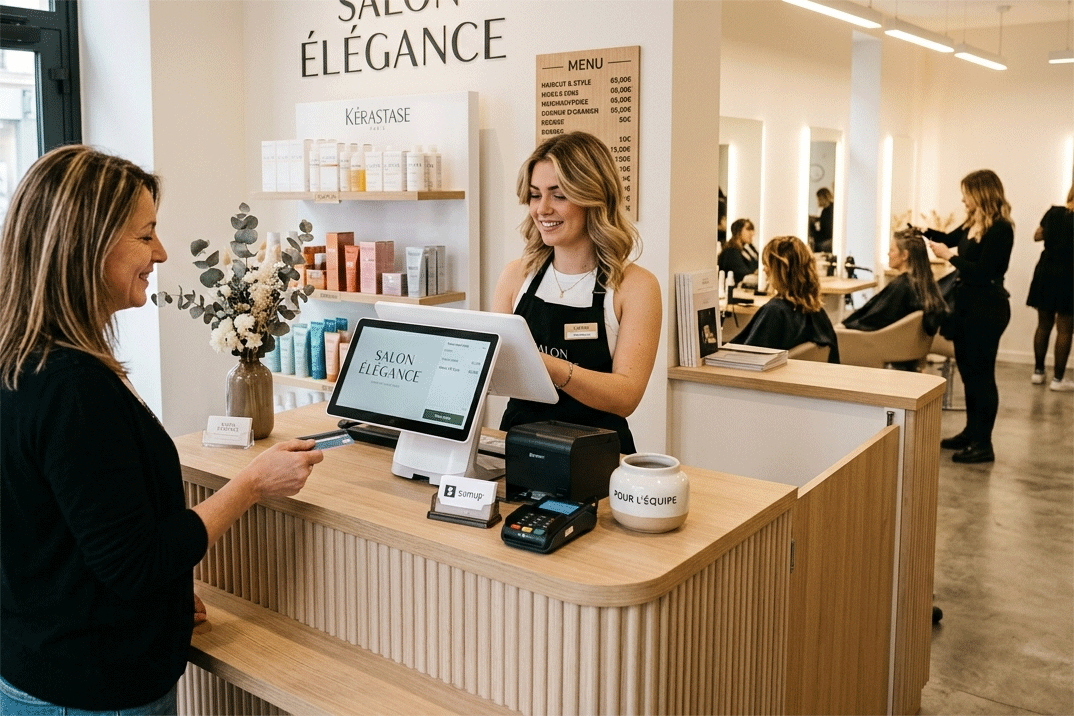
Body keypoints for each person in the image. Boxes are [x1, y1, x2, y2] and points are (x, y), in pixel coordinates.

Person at [0, 145, 324, 714]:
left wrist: (162, 603)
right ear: (88, 243)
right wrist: (251, 484)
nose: (162, 252)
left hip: (43, 663)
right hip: (90, 692)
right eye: (145, 235)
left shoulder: (25, 361)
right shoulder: (74, 387)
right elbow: (136, 563)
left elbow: (64, 536)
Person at [492, 132, 661, 455]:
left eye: (559, 195)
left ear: (594, 197)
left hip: (596, 457)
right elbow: (496, 372)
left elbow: (626, 397)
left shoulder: (636, 286)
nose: (542, 209)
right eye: (535, 195)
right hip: (517, 448)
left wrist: (550, 367)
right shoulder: (516, 276)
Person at [926, 169, 1014, 464]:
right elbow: (946, 238)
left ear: (981, 193)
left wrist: (949, 256)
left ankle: (983, 444)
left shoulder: (1001, 229)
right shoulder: (972, 223)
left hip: (987, 310)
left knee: (982, 378)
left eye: (966, 194)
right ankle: (970, 433)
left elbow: (983, 272)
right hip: (966, 309)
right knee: (968, 374)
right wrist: (921, 232)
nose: (963, 200)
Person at [734, 235, 840, 363]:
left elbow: (746, 360)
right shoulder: (815, 310)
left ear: (781, 269)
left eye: (767, 264)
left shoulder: (775, 312)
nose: (764, 269)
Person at [841, 227, 949, 337]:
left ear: (904, 255)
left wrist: (841, 328)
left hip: (873, 343)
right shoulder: (925, 286)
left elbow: (869, 321)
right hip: (899, 344)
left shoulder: (903, 286)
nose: (888, 254)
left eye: (892, 250)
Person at [1026, 185, 1074, 392]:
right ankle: (1058, 379)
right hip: (1070, 275)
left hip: (1046, 272)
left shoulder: (1054, 212)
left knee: (1043, 324)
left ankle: (1038, 372)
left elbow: (1037, 236)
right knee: (1065, 328)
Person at [718, 218, 759, 286]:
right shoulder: (730, 252)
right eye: (748, 229)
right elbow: (743, 274)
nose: (752, 233)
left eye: (752, 230)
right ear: (738, 231)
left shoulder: (746, 251)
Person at [811, 187, 834, 253]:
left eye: (819, 199)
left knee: (817, 245)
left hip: (828, 238)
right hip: (826, 237)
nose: (818, 201)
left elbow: (827, 231)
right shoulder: (825, 211)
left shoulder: (831, 210)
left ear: (823, 198)